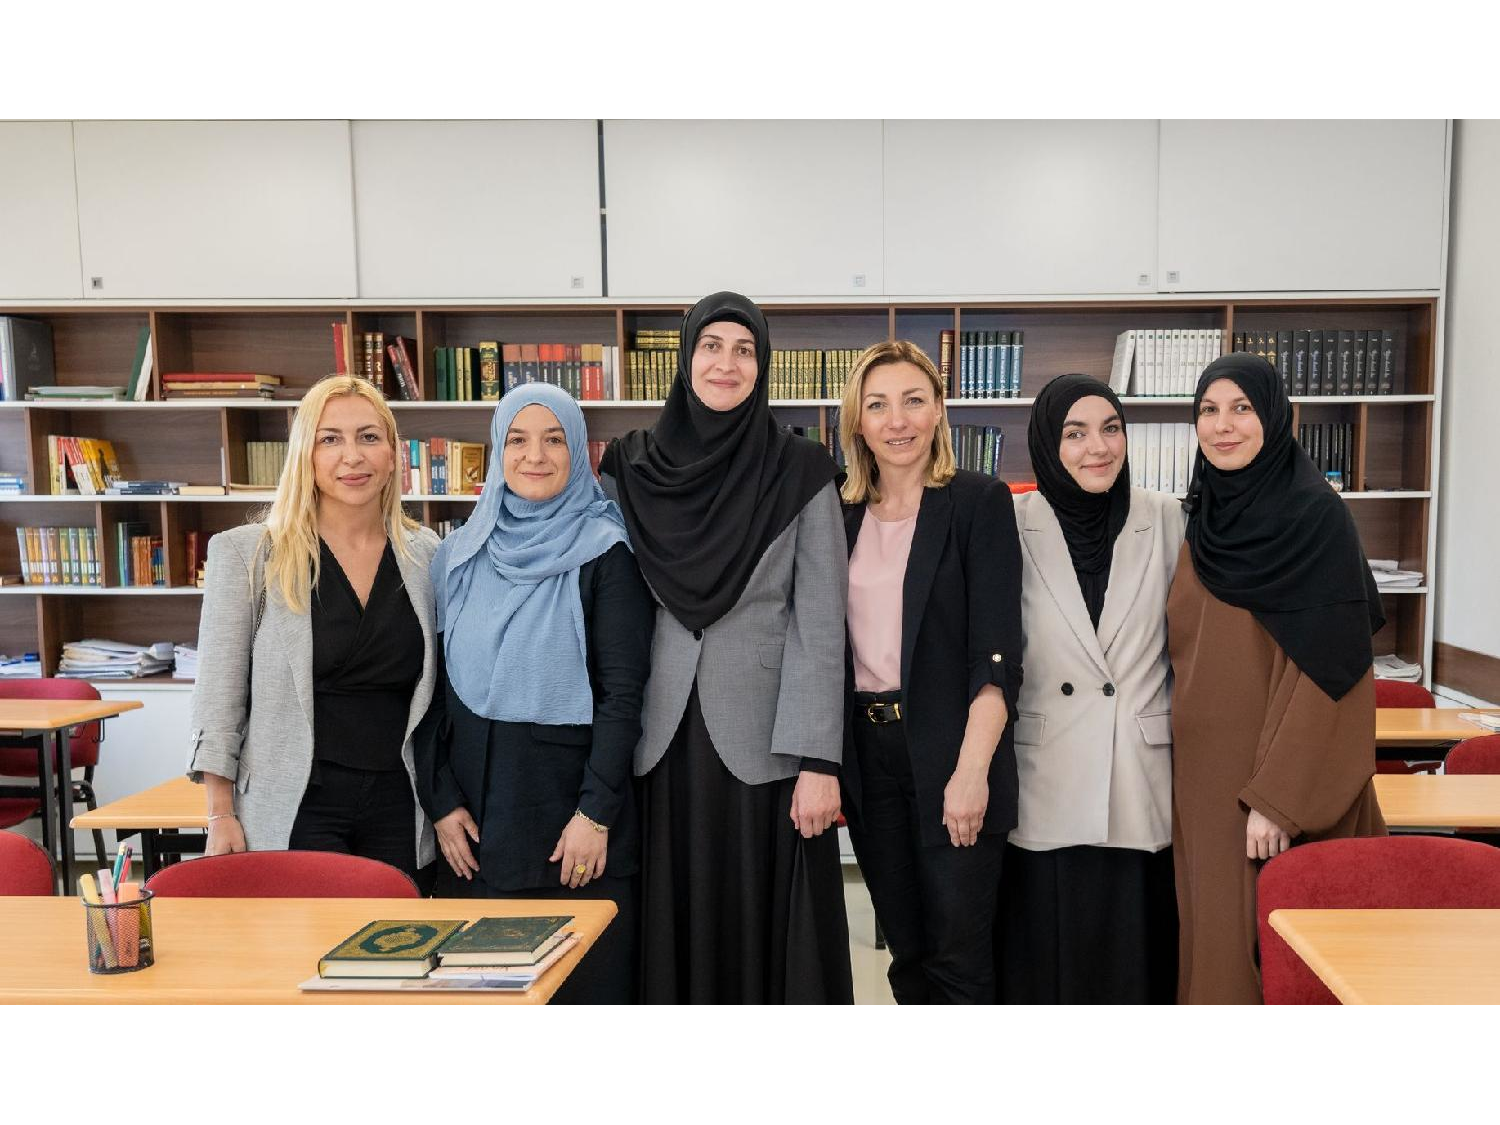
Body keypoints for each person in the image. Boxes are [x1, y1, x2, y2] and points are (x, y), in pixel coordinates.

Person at [599, 290, 853, 1004]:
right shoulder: (628, 467)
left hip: (766, 742)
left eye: (744, 350)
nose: (726, 363)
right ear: (685, 359)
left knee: (757, 927)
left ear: (762, 364)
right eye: (711, 346)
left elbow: (821, 623)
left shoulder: (801, 468)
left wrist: (819, 761)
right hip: (657, 735)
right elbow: (607, 605)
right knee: (669, 921)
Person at [414, 383, 653, 1004]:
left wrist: (595, 814)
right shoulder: (459, 554)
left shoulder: (607, 552)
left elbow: (623, 697)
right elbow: (432, 693)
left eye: (554, 440)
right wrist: (440, 801)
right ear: (498, 450)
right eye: (517, 440)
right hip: (474, 830)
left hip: (570, 827)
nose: (535, 456)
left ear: (578, 448)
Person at [1169, 352, 1387, 1005]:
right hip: (1205, 783)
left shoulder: (1314, 518)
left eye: (1241, 408)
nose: (1223, 425)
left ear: (1274, 416)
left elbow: (1334, 673)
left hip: (1272, 788)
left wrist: (1279, 798)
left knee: (1281, 956)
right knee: (1216, 945)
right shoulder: (1203, 516)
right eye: (1209, 410)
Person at [189, 375, 440, 886]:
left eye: (369, 437)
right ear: (305, 454)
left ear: (393, 453)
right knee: (303, 936)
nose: (353, 456)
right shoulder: (247, 554)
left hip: (401, 800)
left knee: (396, 935)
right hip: (295, 802)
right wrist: (220, 813)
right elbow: (218, 698)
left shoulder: (428, 555)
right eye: (331, 439)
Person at [837, 340, 1022, 1004]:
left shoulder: (978, 501)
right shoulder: (838, 511)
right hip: (870, 756)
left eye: (914, 400)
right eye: (878, 405)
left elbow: (996, 657)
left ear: (939, 409)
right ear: (858, 421)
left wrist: (971, 774)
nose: (897, 421)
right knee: (907, 954)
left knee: (958, 958)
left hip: (952, 753)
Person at [1001, 373, 1181, 1005]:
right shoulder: (1011, 521)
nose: (1097, 447)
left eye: (1110, 429)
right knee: (1052, 964)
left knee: (1137, 965)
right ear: (1048, 445)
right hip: (1047, 771)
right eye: (1074, 434)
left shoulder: (1168, 517)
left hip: (1139, 770)